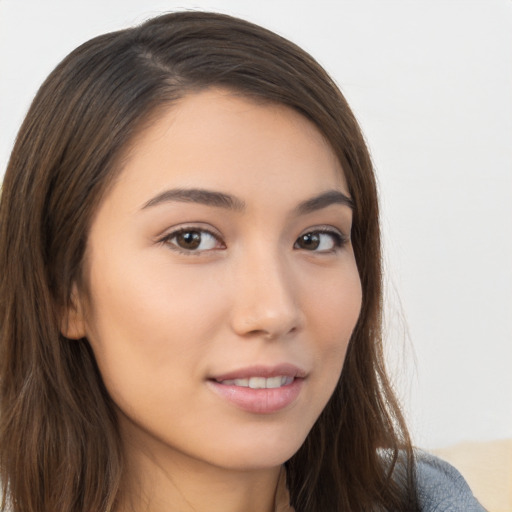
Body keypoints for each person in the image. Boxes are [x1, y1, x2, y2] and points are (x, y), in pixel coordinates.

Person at [0, 11, 484, 512]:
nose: (274, 312)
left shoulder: (432, 498)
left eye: (316, 239)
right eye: (191, 239)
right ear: (62, 289)